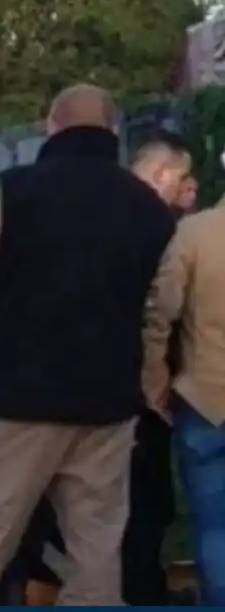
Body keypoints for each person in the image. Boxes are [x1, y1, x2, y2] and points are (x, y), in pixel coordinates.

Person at [0, 84, 177, 606]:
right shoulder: (149, 209)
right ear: (112, 133)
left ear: (50, 126)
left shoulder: (11, 190)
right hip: (108, 408)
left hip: (19, 406)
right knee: (97, 551)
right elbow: (160, 307)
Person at [142, 160, 225, 605]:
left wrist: (154, 379)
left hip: (207, 401)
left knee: (214, 528)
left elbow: (160, 314)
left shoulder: (195, 234)